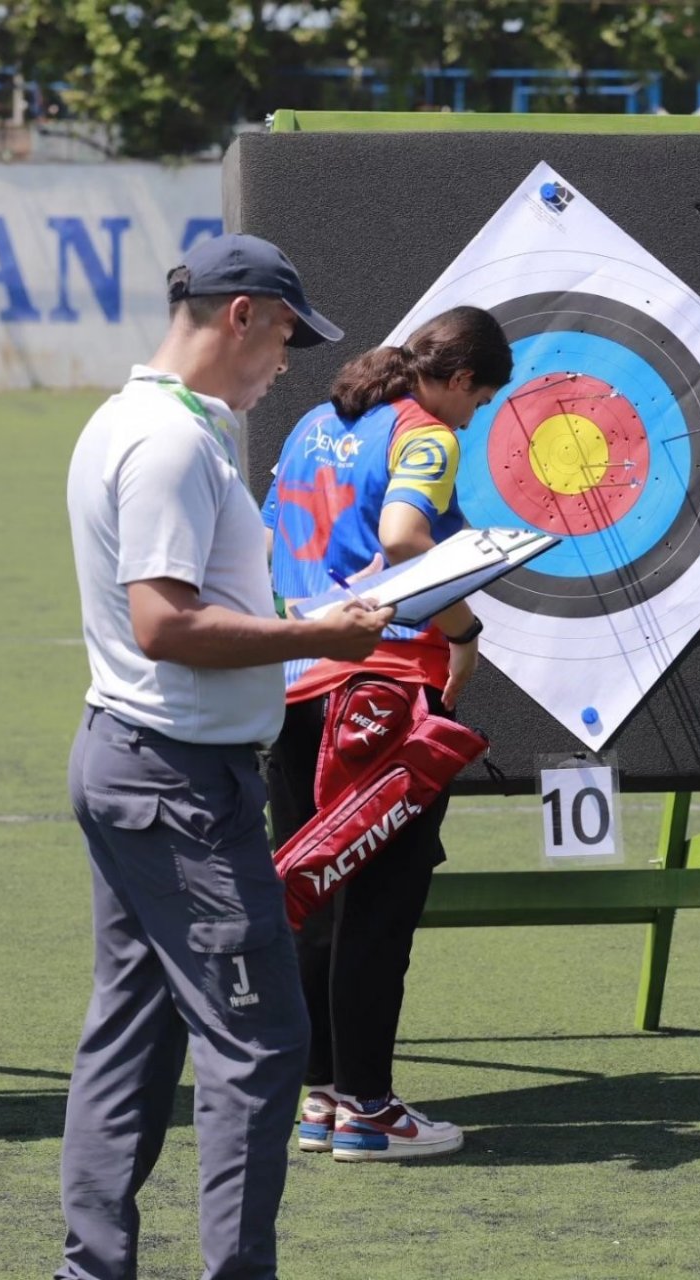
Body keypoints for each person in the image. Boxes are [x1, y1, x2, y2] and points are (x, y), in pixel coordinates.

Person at [60, 233, 394, 1278]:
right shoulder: (167, 442)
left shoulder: (138, 422)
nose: (287, 360)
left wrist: (294, 616)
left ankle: (91, 1268)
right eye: (286, 333)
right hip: (176, 780)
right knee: (259, 1046)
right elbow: (163, 622)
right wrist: (320, 637)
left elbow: (193, 607)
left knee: (132, 1034)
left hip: (137, 759)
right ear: (242, 312)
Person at [261, 305, 513, 1162]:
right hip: (382, 690)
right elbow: (407, 536)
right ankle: (370, 1109)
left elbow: (266, 538)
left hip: (296, 684)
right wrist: (464, 630)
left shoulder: (314, 421)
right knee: (380, 902)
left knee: (314, 895)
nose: (472, 416)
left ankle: (324, 1099)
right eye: (478, 397)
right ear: (456, 378)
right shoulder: (425, 434)